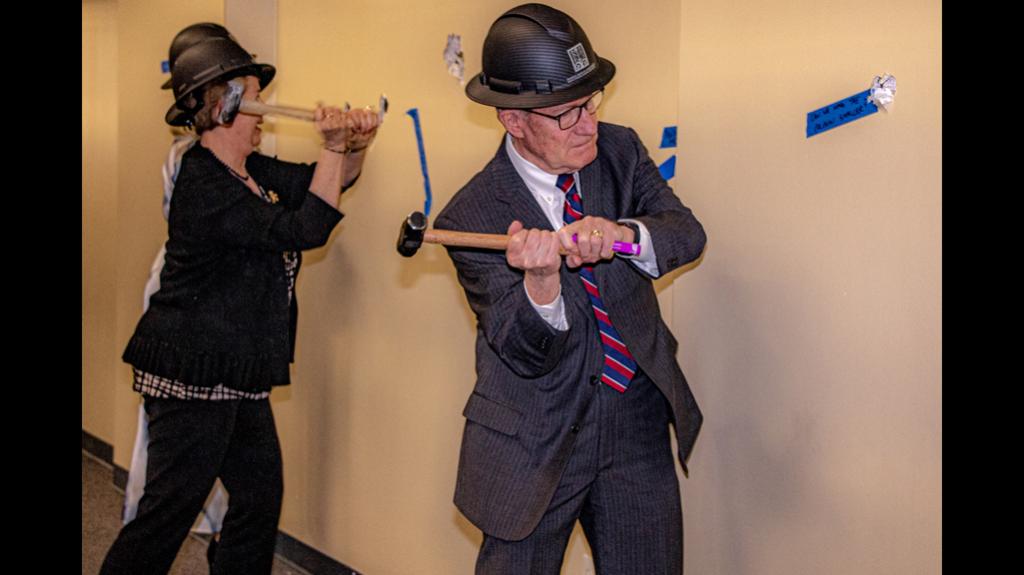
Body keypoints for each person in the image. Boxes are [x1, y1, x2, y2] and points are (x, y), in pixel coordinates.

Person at [433, 4, 706, 573]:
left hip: (634, 420)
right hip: (533, 437)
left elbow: (686, 234)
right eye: (567, 114)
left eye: (592, 102)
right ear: (514, 120)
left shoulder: (620, 151)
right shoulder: (474, 214)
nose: (588, 124)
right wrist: (540, 283)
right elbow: (522, 351)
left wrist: (624, 234)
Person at [100, 26, 380, 575]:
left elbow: (324, 184)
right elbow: (308, 228)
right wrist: (331, 144)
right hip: (190, 368)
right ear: (223, 103)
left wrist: (353, 146)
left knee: (256, 500)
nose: (265, 110)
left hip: (238, 368)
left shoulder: (250, 171)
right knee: (169, 510)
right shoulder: (203, 183)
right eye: (254, 96)